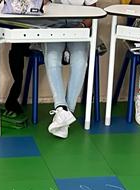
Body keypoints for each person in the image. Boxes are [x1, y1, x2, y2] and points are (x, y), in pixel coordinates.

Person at [40, 0, 98, 138]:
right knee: (52, 58)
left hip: (79, 25)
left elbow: (93, 13)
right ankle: (61, 108)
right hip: (53, 24)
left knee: (80, 62)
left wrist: (82, 26)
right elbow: (41, 5)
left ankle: (66, 114)